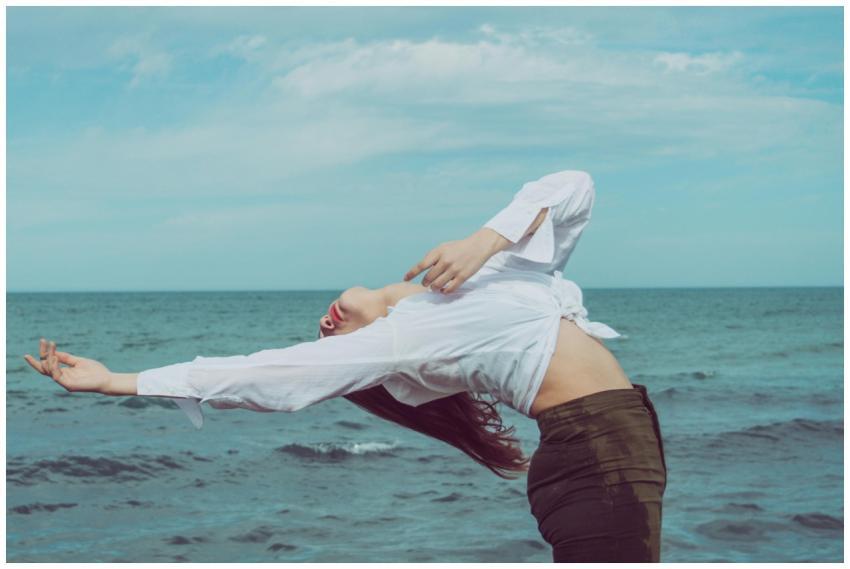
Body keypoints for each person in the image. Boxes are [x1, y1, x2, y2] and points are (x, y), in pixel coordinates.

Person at [25, 170, 668, 562]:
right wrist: (119, 381)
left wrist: (485, 239)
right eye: (327, 339)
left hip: (616, 439)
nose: (326, 324)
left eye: (324, 324)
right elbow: (268, 375)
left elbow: (574, 188)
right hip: (594, 450)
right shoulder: (402, 338)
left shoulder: (482, 267)